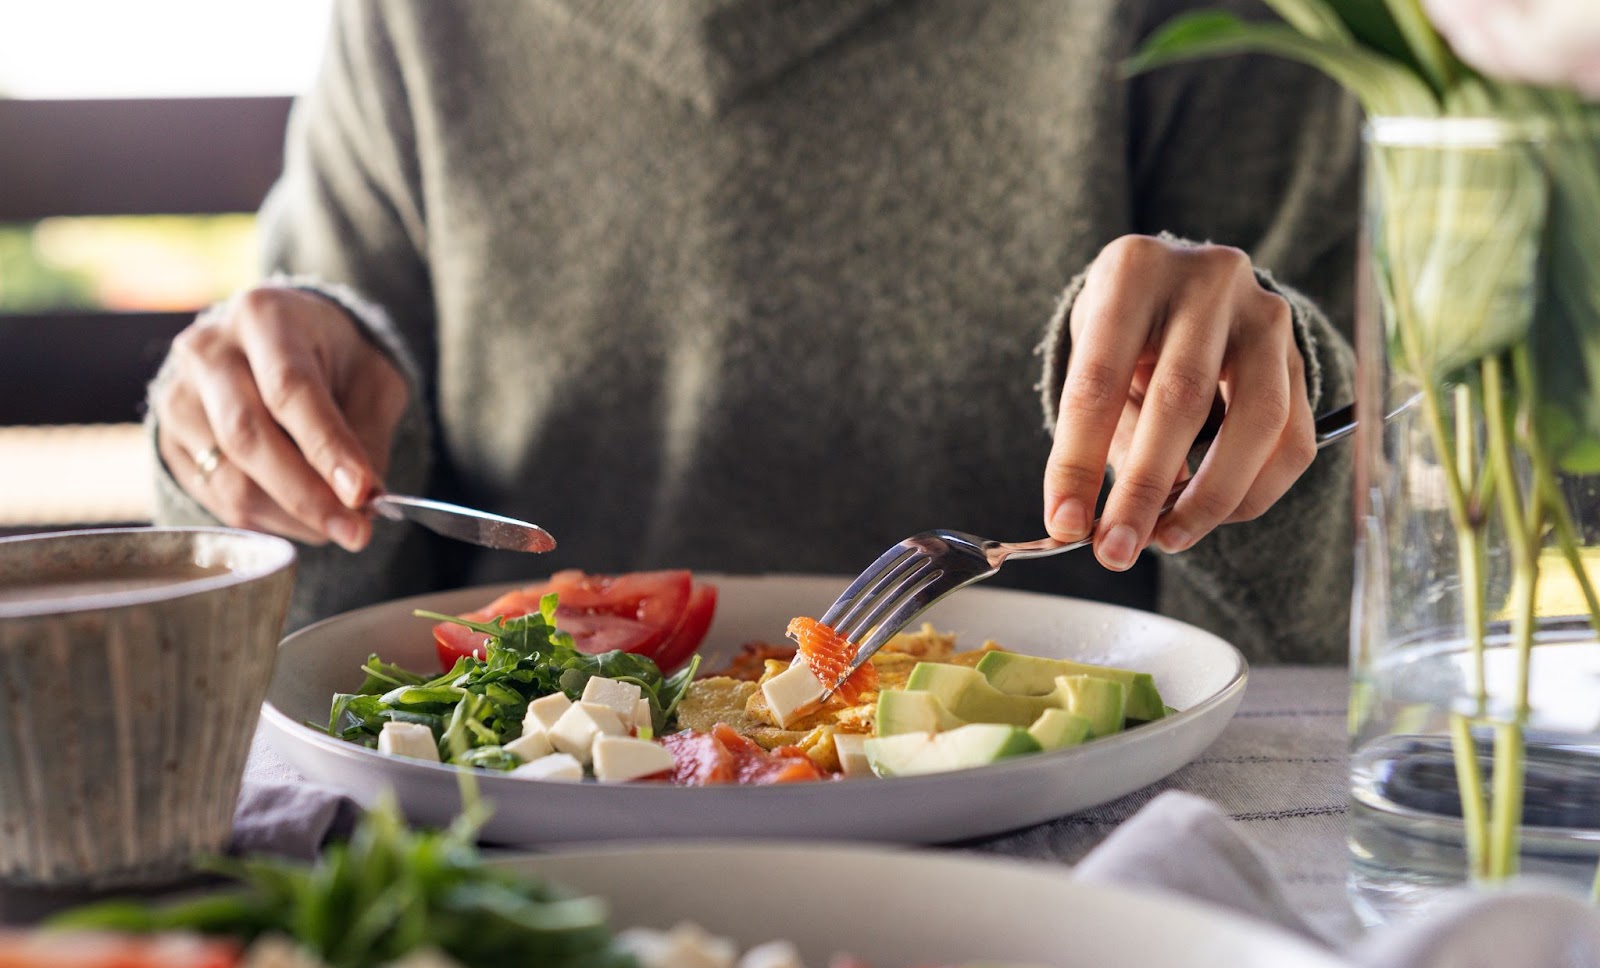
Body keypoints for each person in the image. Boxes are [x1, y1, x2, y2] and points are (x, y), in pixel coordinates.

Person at [146, 0, 1362, 663]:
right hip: (505, 849)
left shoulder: (1230, 25)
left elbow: (1308, 667)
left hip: (1065, 874)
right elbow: (296, 644)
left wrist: (1259, 411)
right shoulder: (411, 25)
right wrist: (245, 447)